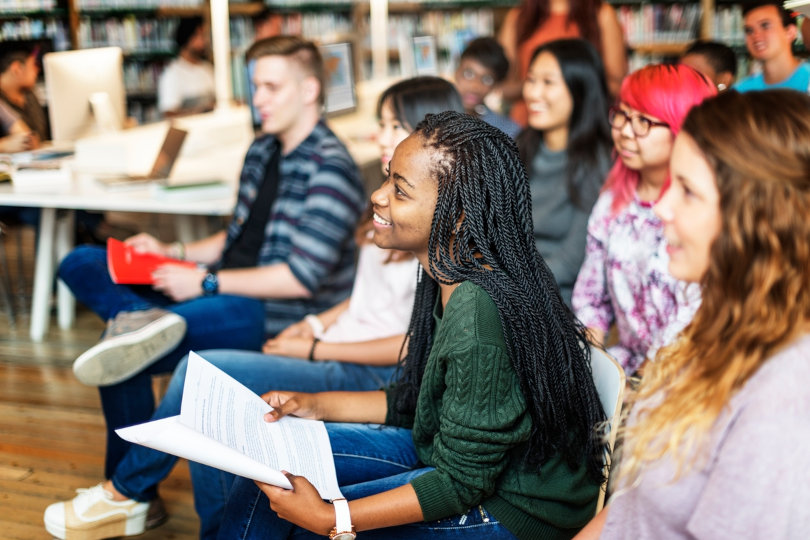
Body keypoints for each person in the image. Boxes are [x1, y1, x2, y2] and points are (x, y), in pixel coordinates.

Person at [43, 75, 463, 540]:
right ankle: (131, 330)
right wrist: (311, 325)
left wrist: (312, 348)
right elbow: (365, 298)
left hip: (353, 361)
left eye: (394, 126)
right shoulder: (365, 198)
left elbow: (410, 342)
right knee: (95, 278)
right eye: (383, 125)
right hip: (326, 336)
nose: (381, 137)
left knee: (196, 376)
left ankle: (126, 491)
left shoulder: (420, 226)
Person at [217, 111, 608, 539]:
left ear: (457, 216)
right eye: (387, 178)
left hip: (513, 507)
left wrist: (333, 520)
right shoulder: (445, 272)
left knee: (304, 517)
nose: (378, 197)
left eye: (399, 192)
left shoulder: (479, 313)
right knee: (266, 470)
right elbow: (414, 401)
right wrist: (314, 405)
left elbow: (461, 484)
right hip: (448, 459)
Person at [57, 35, 365, 484]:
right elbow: (233, 238)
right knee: (81, 261)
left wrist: (203, 283)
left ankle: (123, 489)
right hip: (220, 283)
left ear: (309, 90)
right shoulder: (262, 150)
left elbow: (300, 278)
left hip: (273, 309)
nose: (257, 99)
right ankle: (142, 321)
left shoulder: (331, 167)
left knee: (120, 356)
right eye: (255, 86)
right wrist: (172, 253)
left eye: (270, 87)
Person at [576, 89, 810, 539]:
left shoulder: (783, 395)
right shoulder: (713, 329)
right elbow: (634, 508)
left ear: (759, 217)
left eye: (687, 191)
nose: (661, 208)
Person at [572, 64, 716, 376]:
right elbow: (591, 299)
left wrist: (640, 384)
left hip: (685, 375)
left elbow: (694, 320)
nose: (624, 130)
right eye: (623, 114)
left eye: (643, 121)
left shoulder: (703, 211)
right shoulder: (612, 200)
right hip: (621, 369)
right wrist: (592, 366)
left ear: (683, 129)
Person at [518, 38, 612, 306]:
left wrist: (509, 287)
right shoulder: (520, 146)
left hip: (556, 301)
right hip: (508, 288)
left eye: (548, 82)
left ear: (580, 89)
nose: (533, 93)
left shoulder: (596, 162)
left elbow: (572, 260)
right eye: (531, 79)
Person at [498, 0, 627, 127]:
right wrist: (536, 82)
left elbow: (616, 85)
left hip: (583, 124)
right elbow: (502, 85)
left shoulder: (601, 14)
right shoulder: (519, 17)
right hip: (526, 124)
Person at [735, 1, 810, 93]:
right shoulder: (741, 93)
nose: (756, 36)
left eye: (765, 26)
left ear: (790, 32)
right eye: (749, 30)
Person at [454, 36, 520, 138]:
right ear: (456, 71)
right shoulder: (432, 118)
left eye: (487, 79)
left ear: (495, 85)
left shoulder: (506, 131)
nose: (474, 86)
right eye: (468, 74)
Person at [157, 16, 216, 116]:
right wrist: (200, 111)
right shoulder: (172, 74)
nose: (204, 41)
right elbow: (169, 113)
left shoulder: (207, 69)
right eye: (200, 36)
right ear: (187, 37)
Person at [0, 41, 47, 144]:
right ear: (16, 69)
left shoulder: (29, 95)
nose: (37, 69)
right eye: (34, 64)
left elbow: (34, 138)